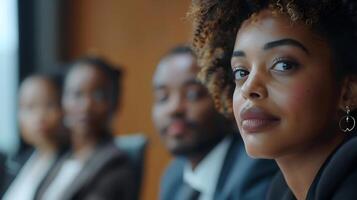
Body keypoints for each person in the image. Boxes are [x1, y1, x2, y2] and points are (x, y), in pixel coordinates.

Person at [190, 0, 357, 199]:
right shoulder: (281, 192)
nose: (249, 88)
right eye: (241, 71)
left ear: (348, 92)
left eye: (283, 66)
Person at [152, 45, 277, 200]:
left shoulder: (255, 168)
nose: (174, 108)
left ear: (226, 99)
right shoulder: (174, 175)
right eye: (162, 97)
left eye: (193, 94)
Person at [35, 56, 135, 200]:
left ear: (115, 103)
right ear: (63, 101)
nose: (86, 106)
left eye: (98, 96)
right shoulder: (62, 158)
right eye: (76, 95)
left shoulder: (115, 165)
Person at [3, 74, 66, 200]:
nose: (40, 116)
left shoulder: (72, 162)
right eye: (30, 107)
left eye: (49, 105)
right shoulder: (17, 163)